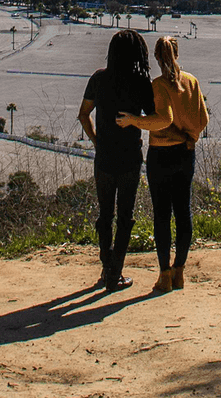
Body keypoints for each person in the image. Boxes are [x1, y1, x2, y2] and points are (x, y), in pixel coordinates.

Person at [117, 36, 209, 293]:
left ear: (157, 58)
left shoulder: (158, 85)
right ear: (177, 53)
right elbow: (202, 119)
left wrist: (135, 121)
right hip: (186, 153)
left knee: (161, 216)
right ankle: (180, 271)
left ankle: (164, 275)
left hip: (161, 155)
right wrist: (189, 138)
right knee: (183, 212)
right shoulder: (191, 82)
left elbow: (163, 119)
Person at [78, 29, 155, 291]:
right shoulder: (141, 81)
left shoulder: (99, 79)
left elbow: (83, 114)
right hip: (130, 157)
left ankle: (105, 266)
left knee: (105, 215)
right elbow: (153, 119)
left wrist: (97, 140)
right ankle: (115, 273)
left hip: (104, 157)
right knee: (125, 216)